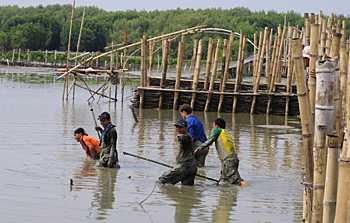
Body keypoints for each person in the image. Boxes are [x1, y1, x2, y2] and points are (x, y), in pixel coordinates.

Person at [194, 118, 248, 186]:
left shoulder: (217, 131)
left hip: (228, 161)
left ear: (216, 126)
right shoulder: (227, 134)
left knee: (237, 181)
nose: (213, 128)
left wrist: (198, 149)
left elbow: (209, 141)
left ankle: (250, 189)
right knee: (225, 181)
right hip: (232, 160)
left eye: (213, 126)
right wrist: (224, 167)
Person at [158, 119, 197, 185]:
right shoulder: (187, 137)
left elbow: (183, 138)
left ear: (186, 128)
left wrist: (179, 136)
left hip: (184, 166)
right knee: (187, 188)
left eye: (181, 127)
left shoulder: (186, 137)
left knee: (162, 180)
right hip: (192, 167)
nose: (178, 129)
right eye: (177, 127)